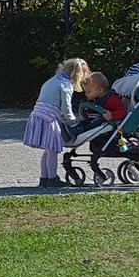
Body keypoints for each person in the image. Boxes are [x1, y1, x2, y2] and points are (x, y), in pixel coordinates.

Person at [23, 58, 89, 188]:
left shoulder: (52, 80)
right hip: (48, 119)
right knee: (52, 150)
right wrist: (74, 118)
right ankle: (52, 179)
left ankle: (44, 179)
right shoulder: (65, 85)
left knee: (48, 151)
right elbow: (66, 107)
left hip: (37, 116)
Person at [66, 72, 128, 140]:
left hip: (110, 122)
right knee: (87, 120)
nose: (86, 94)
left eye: (89, 92)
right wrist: (87, 110)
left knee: (97, 121)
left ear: (100, 90)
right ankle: (75, 129)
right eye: (85, 92)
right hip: (100, 119)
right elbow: (96, 108)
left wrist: (111, 115)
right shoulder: (98, 98)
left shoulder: (112, 99)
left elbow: (122, 112)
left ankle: (80, 131)